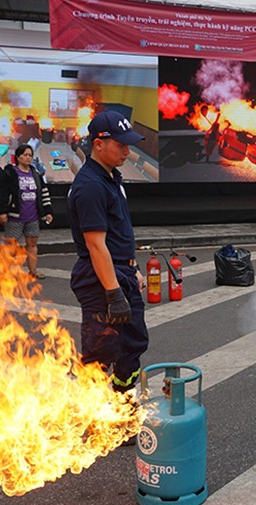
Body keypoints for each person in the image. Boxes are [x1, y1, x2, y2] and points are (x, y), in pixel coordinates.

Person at [67, 110, 148, 394]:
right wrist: (114, 294)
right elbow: (95, 244)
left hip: (120, 271)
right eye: (121, 144)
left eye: (129, 144)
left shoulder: (111, 177)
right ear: (98, 144)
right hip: (101, 277)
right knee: (101, 353)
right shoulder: (90, 186)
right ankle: (92, 422)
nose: (128, 150)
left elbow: (119, 232)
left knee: (132, 345)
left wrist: (133, 267)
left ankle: (122, 411)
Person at [0, 143, 53, 279]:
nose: (28, 158)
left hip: (32, 216)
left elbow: (43, 192)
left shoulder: (35, 174)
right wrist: (2, 212)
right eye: (25, 155)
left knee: (32, 244)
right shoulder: (10, 173)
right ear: (18, 157)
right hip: (15, 217)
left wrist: (47, 211)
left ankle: (33, 271)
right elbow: (1, 193)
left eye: (30, 155)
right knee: (11, 245)